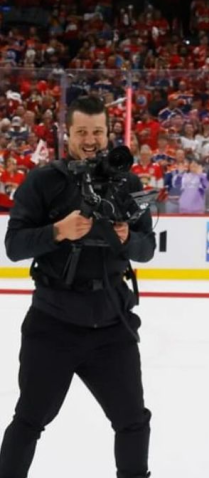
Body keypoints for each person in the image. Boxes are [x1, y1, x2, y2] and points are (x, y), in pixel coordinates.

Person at [0, 95, 155, 478]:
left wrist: (126, 238)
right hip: (53, 325)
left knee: (133, 421)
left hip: (112, 325)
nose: (91, 139)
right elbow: (14, 245)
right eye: (82, 131)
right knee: (29, 420)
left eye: (98, 131)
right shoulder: (43, 181)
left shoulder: (129, 182)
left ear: (108, 133)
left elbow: (147, 248)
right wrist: (58, 231)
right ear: (67, 133)